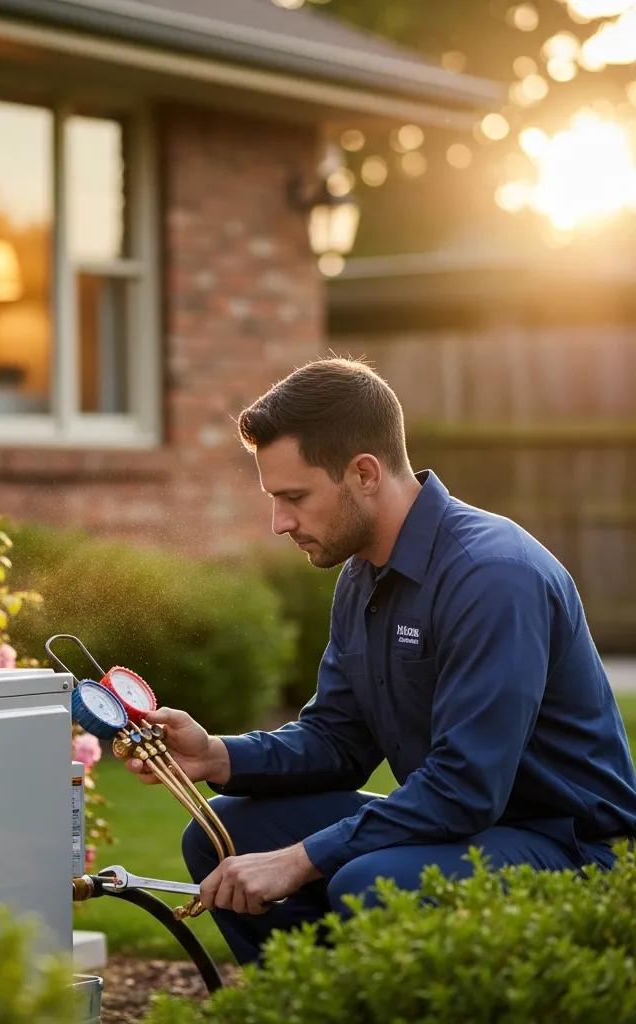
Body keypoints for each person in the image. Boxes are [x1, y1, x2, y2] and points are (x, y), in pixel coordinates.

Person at [127, 357, 636, 966]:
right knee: (225, 837)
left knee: (370, 883)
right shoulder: (362, 576)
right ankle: (317, 1004)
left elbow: (465, 787)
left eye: (294, 497)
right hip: (472, 829)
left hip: (571, 847)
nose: (278, 522)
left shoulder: (493, 576)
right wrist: (216, 755)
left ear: (364, 472)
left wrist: (299, 860)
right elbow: (339, 741)